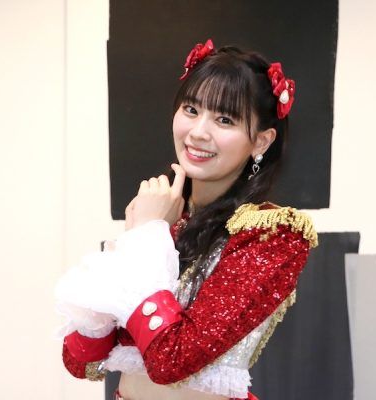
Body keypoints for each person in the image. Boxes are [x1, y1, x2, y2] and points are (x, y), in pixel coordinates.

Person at [55, 39, 318, 400]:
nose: (198, 132)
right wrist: (141, 238)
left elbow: (172, 361)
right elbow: (82, 360)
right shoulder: (164, 217)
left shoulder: (271, 234)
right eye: (191, 109)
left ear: (261, 141)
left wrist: (144, 238)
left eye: (224, 119)